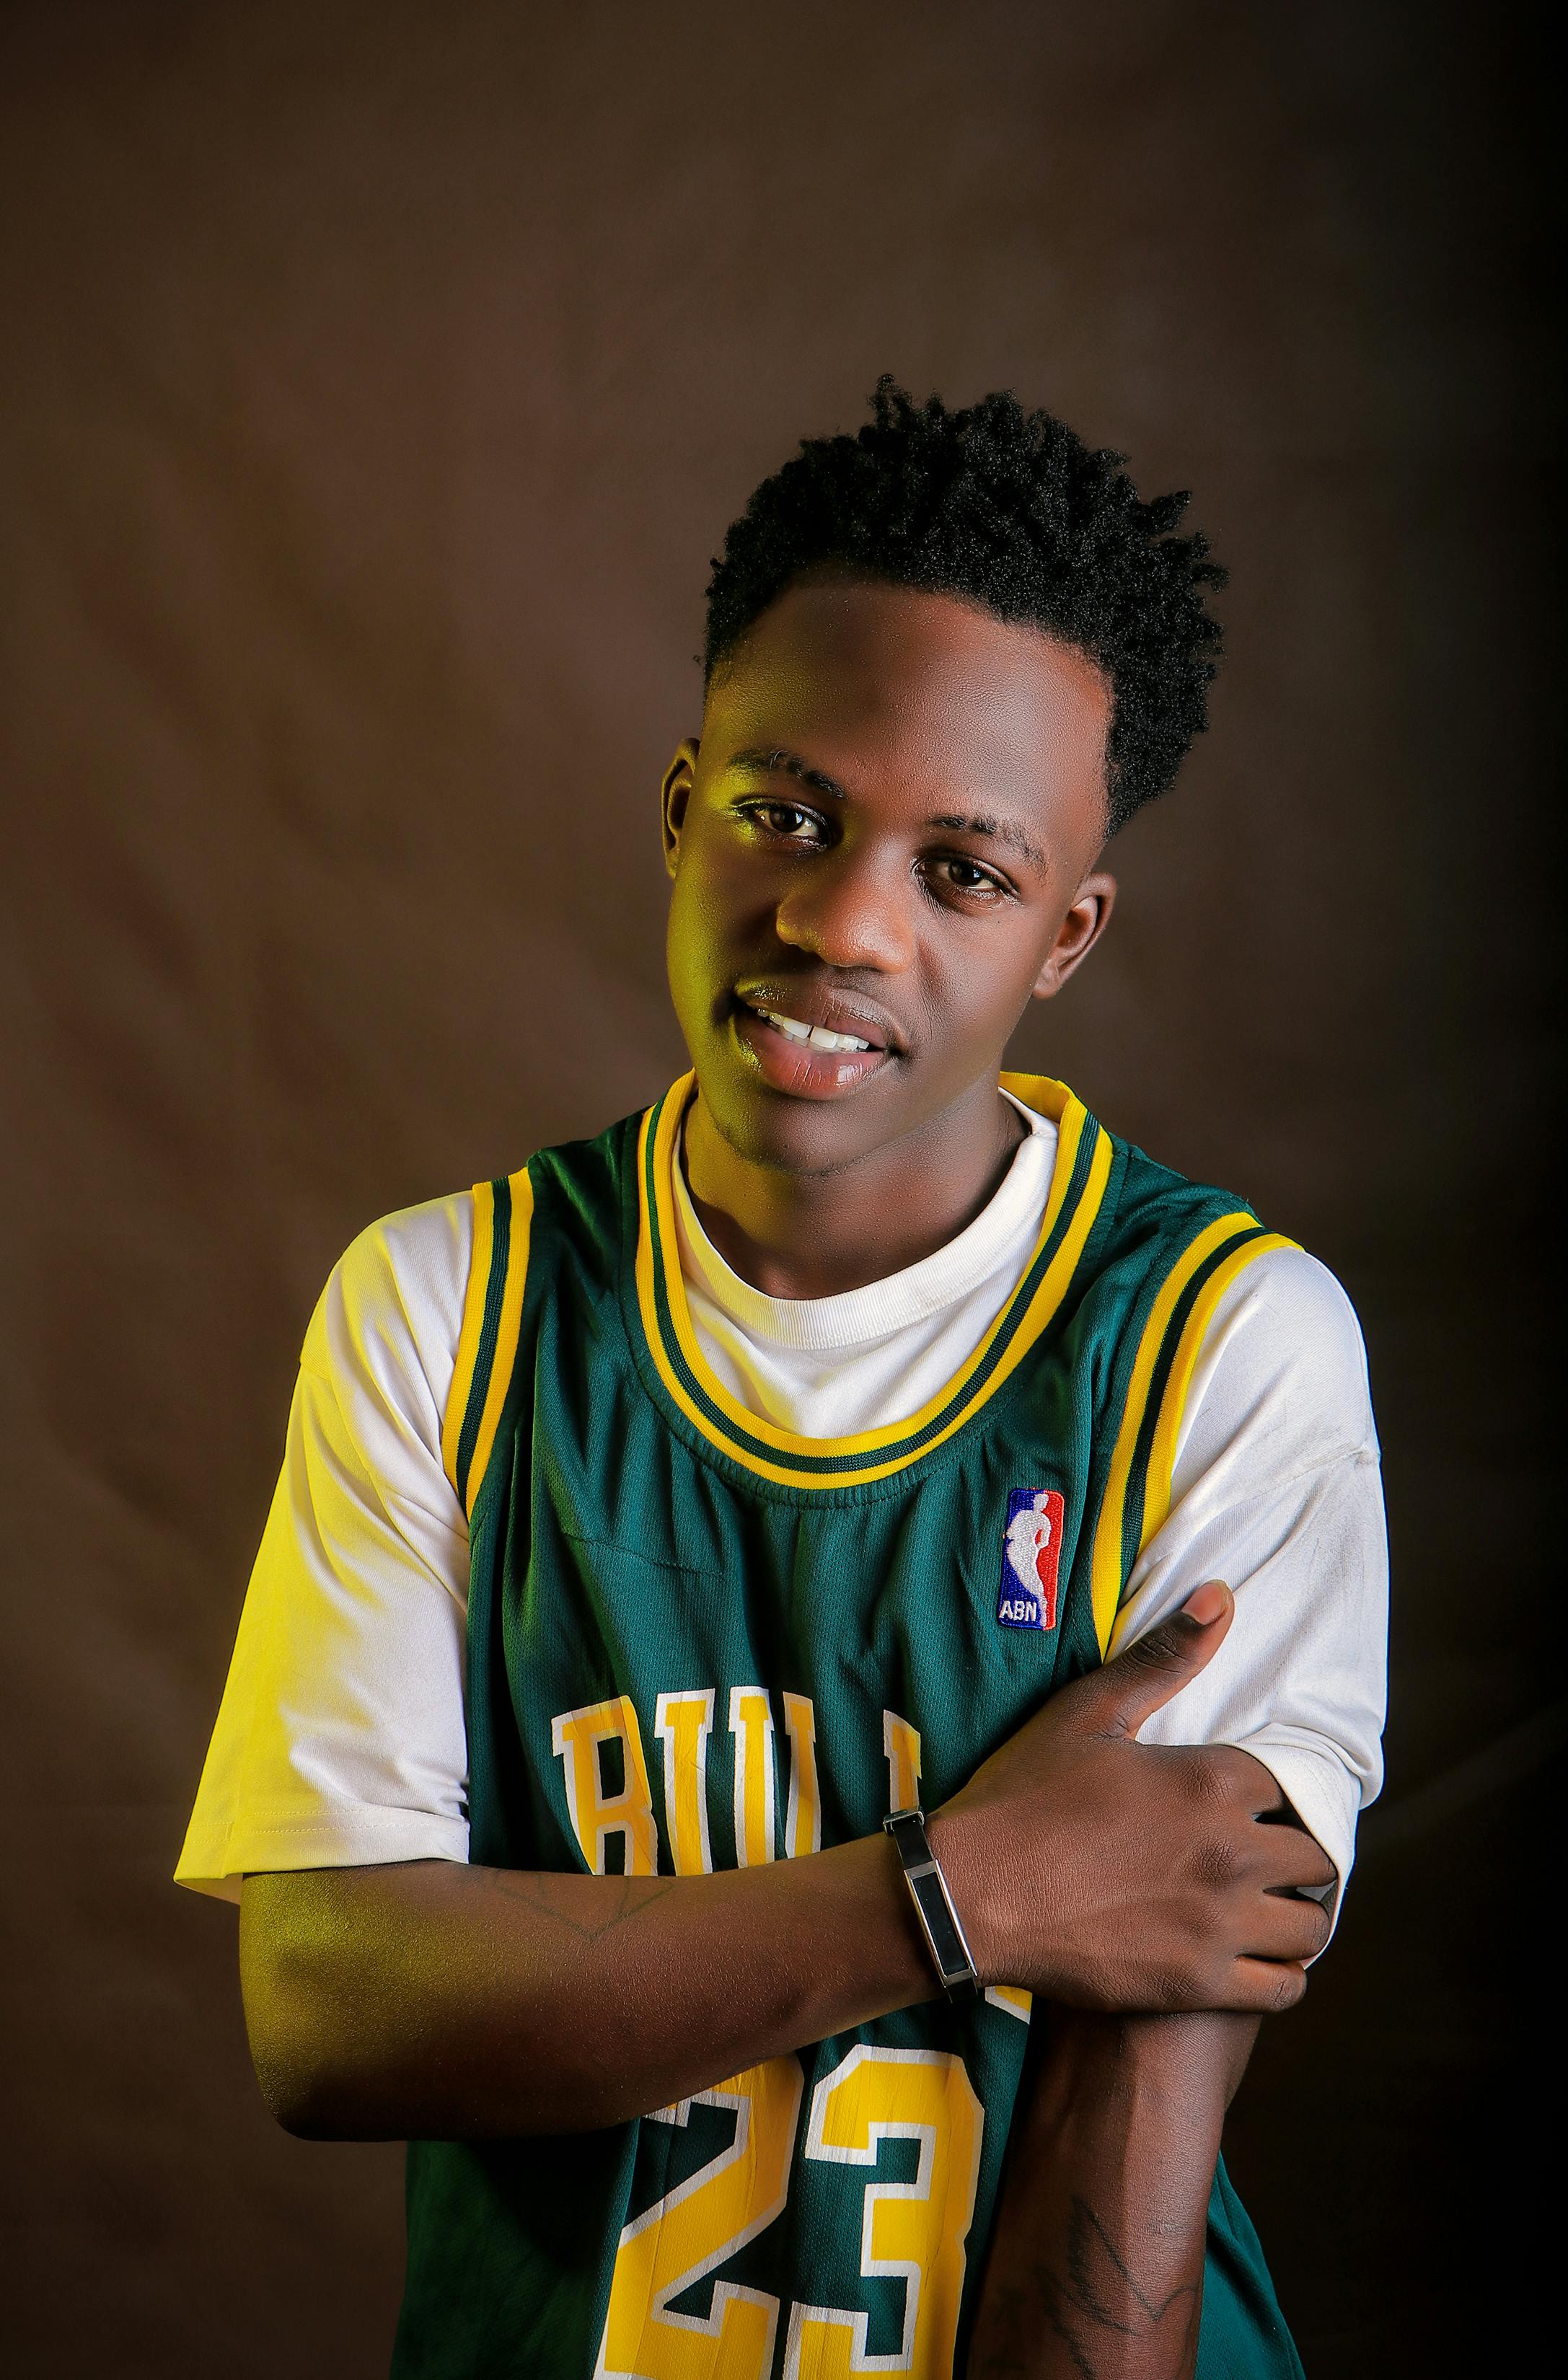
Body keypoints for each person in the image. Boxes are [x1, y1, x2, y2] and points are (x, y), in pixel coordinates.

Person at [177, 379, 1388, 2379]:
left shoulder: (1218, 1341)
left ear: (1067, 936)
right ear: (680, 808)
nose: (840, 922)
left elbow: (1132, 2154)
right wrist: (967, 1890)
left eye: (965, 873)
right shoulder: (451, 1306)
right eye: (786, 814)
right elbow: (328, 2010)